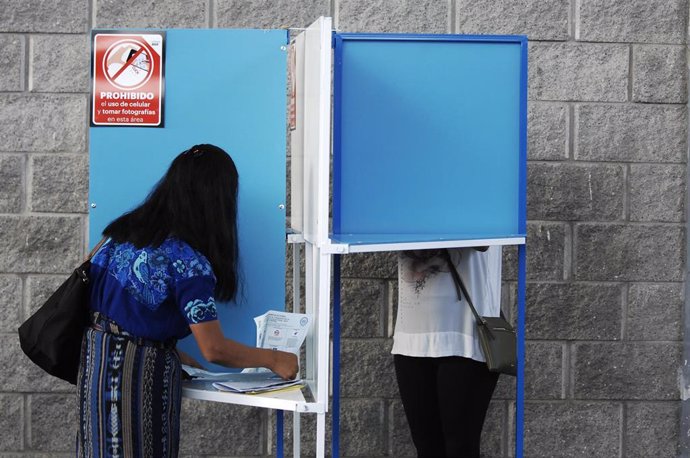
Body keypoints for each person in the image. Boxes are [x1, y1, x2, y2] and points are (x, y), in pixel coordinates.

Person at [77, 144, 298, 457]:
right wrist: (275, 359)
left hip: (95, 367)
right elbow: (215, 349)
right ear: (216, 201)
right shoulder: (187, 262)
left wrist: (171, 350)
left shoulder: (121, 234)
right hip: (137, 381)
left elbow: (116, 313)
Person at [392, 247, 502, 458]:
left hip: (465, 336)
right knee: (427, 447)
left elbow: (483, 240)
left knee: (460, 448)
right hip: (412, 337)